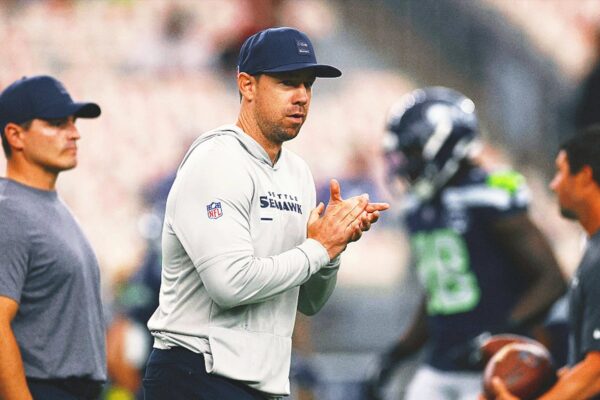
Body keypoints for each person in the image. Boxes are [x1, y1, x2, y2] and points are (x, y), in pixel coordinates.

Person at [142, 26, 389, 400]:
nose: (302, 96)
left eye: (308, 85)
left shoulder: (297, 172)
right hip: (197, 373)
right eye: (287, 82)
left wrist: (333, 249)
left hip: (258, 381)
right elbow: (229, 284)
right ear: (247, 85)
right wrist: (319, 248)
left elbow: (308, 302)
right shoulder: (217, 160)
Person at [364, 87, 567, 400]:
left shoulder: (488, 194)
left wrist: (496, 334)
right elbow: (440, 288)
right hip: (441, 361)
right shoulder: (419, 206)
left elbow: (551, 279)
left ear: (444, 144)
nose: (405, 163)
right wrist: (399, 352)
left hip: (495, 366)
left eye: (413, 151)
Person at [0, 75, 106, 399]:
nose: (74, 133)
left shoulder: (49, 205)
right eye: (58, 123)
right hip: (43, 388)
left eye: (73, 122)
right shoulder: (9, 212)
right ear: (15, 135)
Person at [489, 125, 600, 400]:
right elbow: (584, 367)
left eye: (560, 172)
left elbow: (596, 372)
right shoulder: (592, 247)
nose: (554, 184)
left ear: (585, 176)